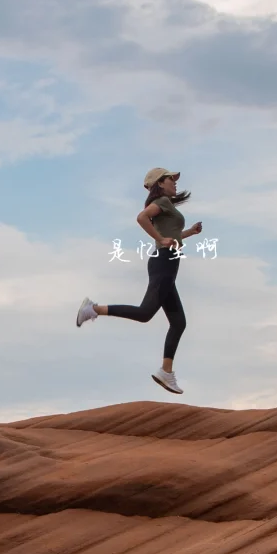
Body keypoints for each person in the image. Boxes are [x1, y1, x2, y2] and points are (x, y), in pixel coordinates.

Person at [76, 167, 203, 395]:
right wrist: (160, 239)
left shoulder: (167, 205)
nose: (174, 182)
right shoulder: (162, 201)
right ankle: (92, 309)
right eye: (170, 179)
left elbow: (171, 236)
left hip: (167, 264)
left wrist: (190, 233)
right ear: (159, 183)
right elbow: (141, 218)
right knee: (145, 313)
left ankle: (166, 372)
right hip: (163, 262)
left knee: (178, 322)